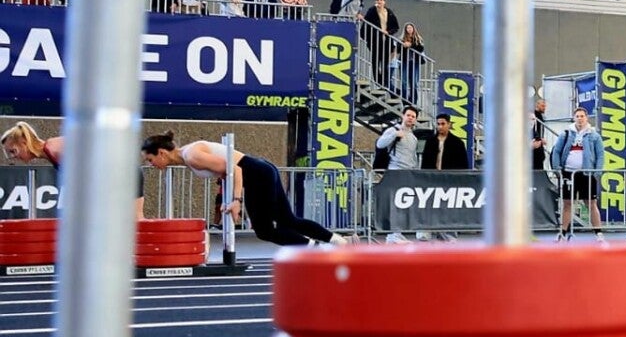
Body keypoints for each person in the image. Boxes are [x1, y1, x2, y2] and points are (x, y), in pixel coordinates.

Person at [139, 132, 343, 246]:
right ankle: (336, 242)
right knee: (287, 220)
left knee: (265, 230)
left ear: (162, 153)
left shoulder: (192, 156)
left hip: (256, 173)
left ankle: (317, 248)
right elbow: (225, 173)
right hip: (261, 170)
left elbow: (235, 169)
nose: (151, 165)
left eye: (150, 159)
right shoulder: (189, 154)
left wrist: (236, 201)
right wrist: (227, 200)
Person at [375, 107, 426, 244]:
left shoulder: (413, 138)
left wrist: (414, 170)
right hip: (395, 171)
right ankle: (393, 234)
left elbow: (412, 157)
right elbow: (380, 144)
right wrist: (395, 135)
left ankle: (397, 233)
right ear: (403, 116)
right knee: (396, 203)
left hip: (408, 172)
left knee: (404, 204)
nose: (410, 118)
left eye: (413, 116)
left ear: (415, 120)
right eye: (408, 115)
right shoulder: (393, 130)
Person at [550, 107, 602, 238]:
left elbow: (600, 155)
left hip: (587, 174)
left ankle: (599, 233)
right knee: (567, 204)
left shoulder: (594, 135)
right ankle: (563, 233)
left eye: (582, 116)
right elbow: (556, 151)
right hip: (568, 173)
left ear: (586, 118)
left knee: (591, 203)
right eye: (577, 116)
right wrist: (557, 169)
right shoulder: (565, 134)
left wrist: (597, 172)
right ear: (574, 118)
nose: (580, 119)